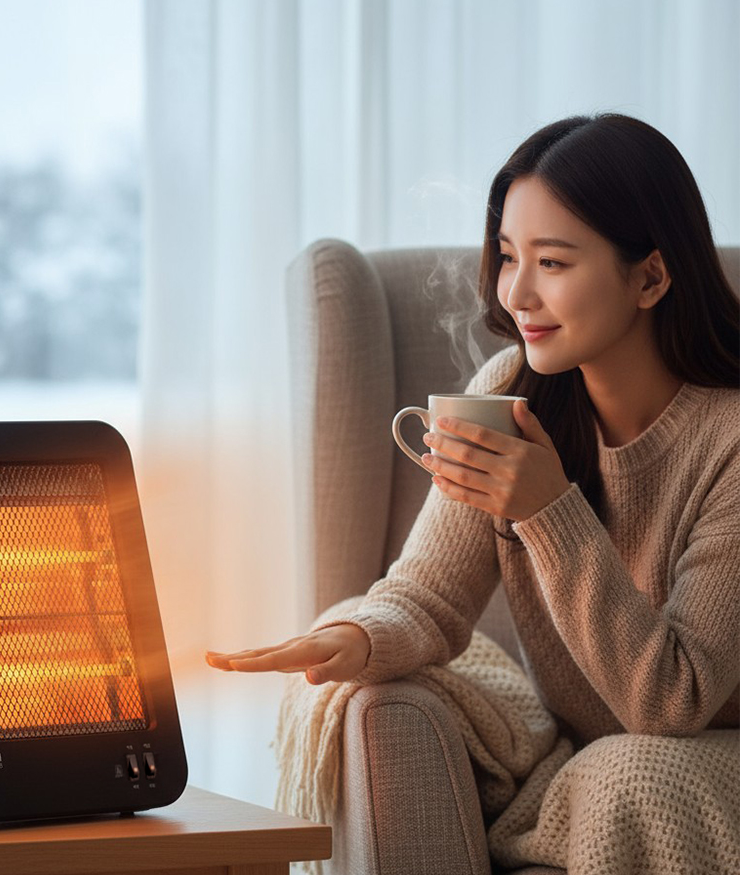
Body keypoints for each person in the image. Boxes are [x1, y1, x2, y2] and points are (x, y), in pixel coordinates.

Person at [206, 113, 739, 743]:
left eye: (552, 262)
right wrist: (355, 638)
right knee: (354, 624)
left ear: (650, 277)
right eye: (509, 257)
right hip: (581, 751)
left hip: (708, 752)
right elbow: (430, 597)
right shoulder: (510, 390)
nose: (517, 294)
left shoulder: (729, 442)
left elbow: (674, 703)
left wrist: (548, 510)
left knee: (628, 771)